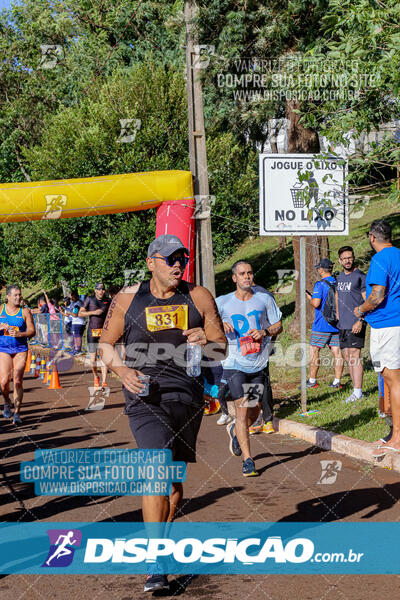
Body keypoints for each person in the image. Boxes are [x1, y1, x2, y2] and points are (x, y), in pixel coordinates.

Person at [99, 234, 227, 593]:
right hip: (143, 395)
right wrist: (123, 372)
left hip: (185, 398)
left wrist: (207, 340)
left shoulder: (198, 296)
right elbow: (106, 345)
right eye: (169, 259)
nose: (177, 265)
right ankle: (156, 561)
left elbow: (221, 350)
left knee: (171, 484)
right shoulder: (128, 298)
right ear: (151, 261)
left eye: (181, 259)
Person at [216, 260, 282, 477]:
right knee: (243, 410)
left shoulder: (264, 299)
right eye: (242, 274)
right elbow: (208, 323)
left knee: (253, 411)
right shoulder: (223, 302)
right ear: (234, 278)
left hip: (258, 363)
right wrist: (219, 325)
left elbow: (278, 325)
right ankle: (248, 460)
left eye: (250, 273)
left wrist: (264, 332)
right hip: (234, 364)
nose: (247, 277)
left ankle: (236, 432)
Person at [353, 220, 400, 456]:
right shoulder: (398, 255)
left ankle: (398, 438)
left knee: (393, 380)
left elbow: (378, 295)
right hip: (393, 324)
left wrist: (361, 310)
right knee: (389, 378)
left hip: (389, 324)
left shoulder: (381, 259)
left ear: (372, 237)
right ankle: (393, 434)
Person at [306, 258, 343, 388]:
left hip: (321, 325)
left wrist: (310, 298)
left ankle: (312, 381)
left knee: (314, 351)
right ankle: (337, 381)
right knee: (337, 353)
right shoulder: (339, 282)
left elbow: (316, 303)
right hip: (337, 324)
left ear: (321, 270)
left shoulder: (320, 284)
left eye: (318, 268)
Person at [0, 285, 35, 424]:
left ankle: (17, 413)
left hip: (20, 348)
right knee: (4, 381)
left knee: (18, 380)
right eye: (15, 295)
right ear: (7, 296)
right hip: (3, 349)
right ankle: (6, 402)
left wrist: (20, 333)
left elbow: (32, 331)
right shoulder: (0, 310)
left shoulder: (25, 311)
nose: (18, 297)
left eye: (19, 295)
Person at [336, 246, 367, 403]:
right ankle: (356, 390)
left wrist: (361, 320)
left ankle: (358, 392)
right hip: (343, 324)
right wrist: (337, 313)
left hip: (356, 323)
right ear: (340, 260)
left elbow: (367, 300)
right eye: (344, 258)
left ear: (353, 258)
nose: (347, 260)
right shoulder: (340, 277)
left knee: (355, 356)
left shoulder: (360, 276)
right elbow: (337, 295)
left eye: (350, 257)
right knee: (347, 356)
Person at [79, 283, 111, 388]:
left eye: (103, 289)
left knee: (104, 358)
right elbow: (80, 313)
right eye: (99, 289)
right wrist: (93, 312)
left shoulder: (108, 301)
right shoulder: (90, 299)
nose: (101, 291)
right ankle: (96, 376)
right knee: (93, 360)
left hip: (104, 332)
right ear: (95, 290)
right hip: (92, 332)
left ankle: (104, 382)